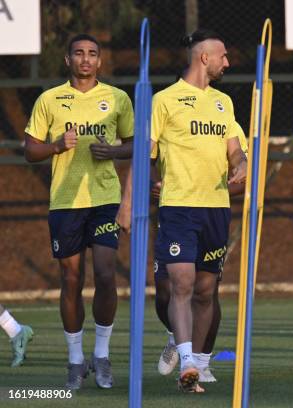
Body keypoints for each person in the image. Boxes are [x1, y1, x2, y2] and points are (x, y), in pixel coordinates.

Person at [117, 29, 247, 393]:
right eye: (223, 56)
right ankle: (186, 361)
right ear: (204, 57)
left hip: (217, 207)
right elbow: (144, 154)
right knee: (181, 284)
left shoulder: (224, 103)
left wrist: (241, 163)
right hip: (178, 205)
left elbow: (235, 149)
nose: (228, 62)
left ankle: (199, 364)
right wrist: (128, 203)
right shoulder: (164, 100)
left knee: (206, 289)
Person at [24, 34, 133, 390]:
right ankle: (75, 360)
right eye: (78, 53)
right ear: (67, 59)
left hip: (104, 199)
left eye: (92, 54)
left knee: (105, 274)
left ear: (99, 61)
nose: (85, 59)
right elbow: (30, 150)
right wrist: (56, 146)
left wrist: (113, 152)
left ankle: (101, 355)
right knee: (71, 280)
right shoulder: (49, 99)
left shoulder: (117, 98)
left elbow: (135, 145)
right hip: (65, 202)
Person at [155, 121, 248, 384]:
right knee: (165, 291)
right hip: (175, 213)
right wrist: (155, 186)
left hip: (211, 214)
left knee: (205, 291)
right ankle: (176, 336)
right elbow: (148, 162)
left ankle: (198, 362)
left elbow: (244, 180)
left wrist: (205, 193)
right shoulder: (168, 109)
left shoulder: (225, 118)